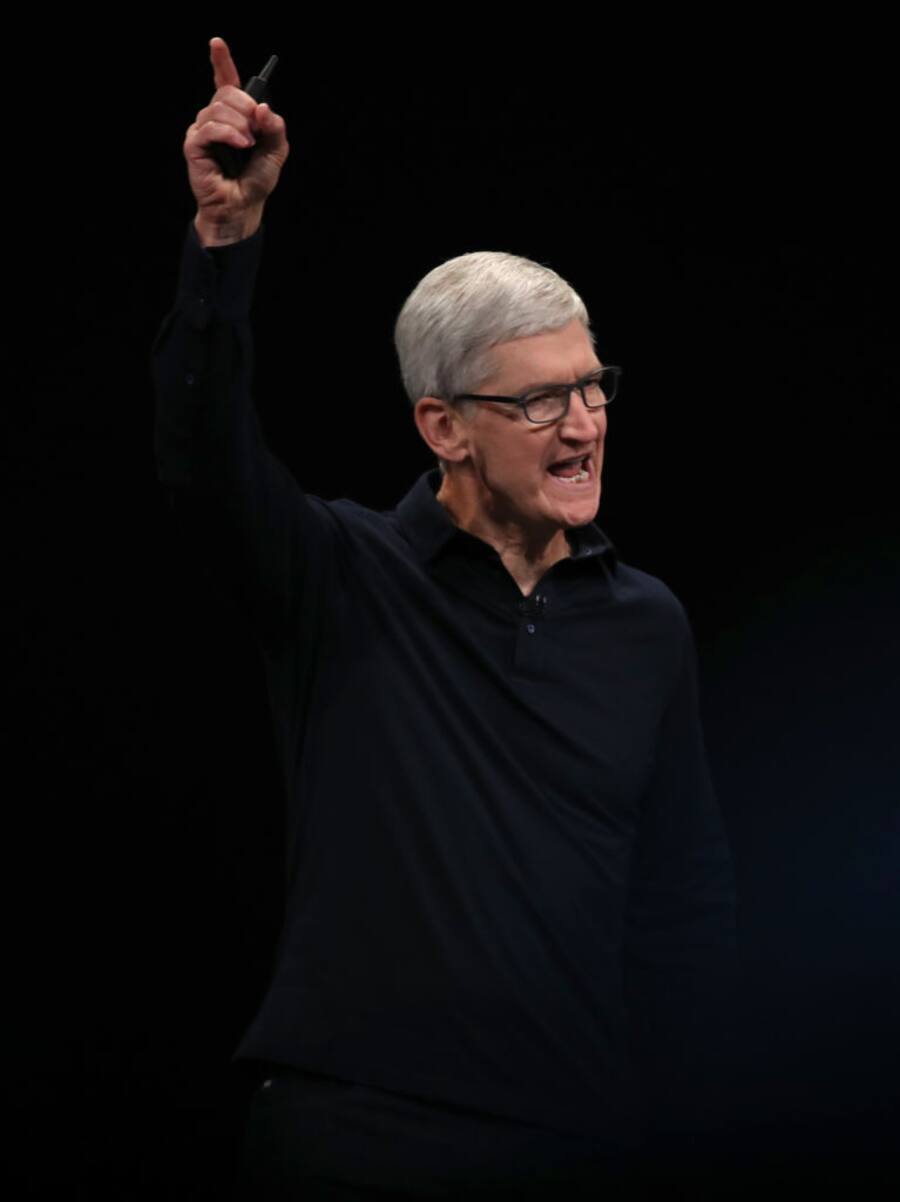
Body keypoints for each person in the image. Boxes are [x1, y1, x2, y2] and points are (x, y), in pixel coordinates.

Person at [152, 36, 740, 1200]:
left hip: (579, 1139)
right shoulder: (341, 575)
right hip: (356, 1136)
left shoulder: (646, 623)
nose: (582, 427)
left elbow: (684, 913)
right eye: (537, 400)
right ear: (443, 426)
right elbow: (200, 455)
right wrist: (224, 243)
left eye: (592, 386)